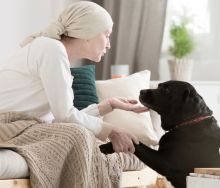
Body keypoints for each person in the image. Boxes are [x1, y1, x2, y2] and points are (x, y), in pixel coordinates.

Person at [0, 1, 147, 154]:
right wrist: (112, 131)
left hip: (17, 126)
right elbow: (65, 117)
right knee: (79, 136)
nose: (108, 45)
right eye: (106, 35)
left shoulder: (54, 51)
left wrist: (108, 105)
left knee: (81, 135)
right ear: (88, 32)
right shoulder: (51, 49)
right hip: (6, 125)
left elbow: (59, 119)